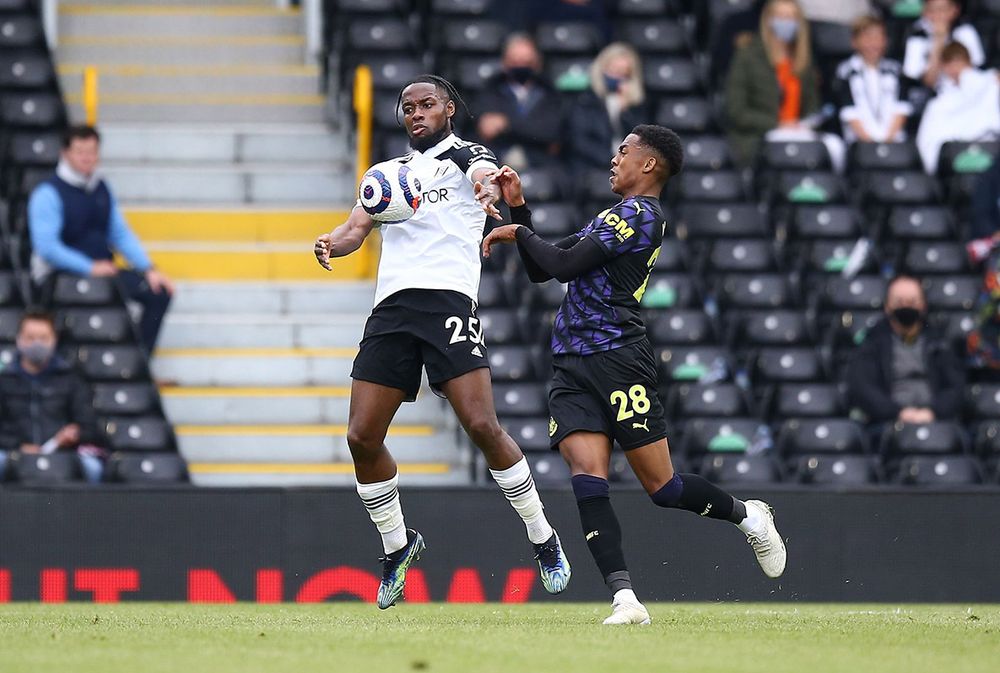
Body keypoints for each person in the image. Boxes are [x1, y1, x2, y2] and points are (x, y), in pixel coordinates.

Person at [480, 125, 786, 626]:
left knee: (662, 489)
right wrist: (520, 209)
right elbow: (544, 268)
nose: (615, 157)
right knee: (587, 479)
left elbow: (561, 263)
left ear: (648, 165)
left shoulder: (641, 217)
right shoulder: (612, 216)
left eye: (624, 150)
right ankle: (625, 598)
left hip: (619, 358)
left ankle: (749, 515)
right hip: (572, 362)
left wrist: (519, 230)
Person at [313, 75, 571, 610]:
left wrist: (486, 187)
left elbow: (484, 174)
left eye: (427, 104)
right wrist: (331, 244)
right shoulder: (386, 174)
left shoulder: (468, 154)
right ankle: (397, 547)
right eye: (407, 107)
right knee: (361, 437)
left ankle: (542, 536)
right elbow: (356, 226)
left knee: (481, 425)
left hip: (449, 302)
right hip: (392, 311)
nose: (416, 113)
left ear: (449, 108)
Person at [27, 125, 174, 355]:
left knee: (159, 292)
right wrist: (89, 267)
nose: (87, 157)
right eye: (80, 151)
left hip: (105, 270)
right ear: (65, 154)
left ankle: (138, 364)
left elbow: (120, 233)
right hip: (59, 275)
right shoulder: (47, 193)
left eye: (92, 151)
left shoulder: (102, 188)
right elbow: (47, 248)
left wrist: (148, 268)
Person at [725, 0, 843, 170]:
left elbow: (812, 105)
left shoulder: (804, 60)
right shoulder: (748, 56)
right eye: (780, 16)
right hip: (761, 135)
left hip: (799, 131)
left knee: (835, 146)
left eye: (791, 17)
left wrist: (803, 124)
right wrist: (777, 124)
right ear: (768, 20)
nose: (786, 22)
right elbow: (736, 112)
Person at [0, 309, 105, 483]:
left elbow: (89, 425)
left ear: (54, 340)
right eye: (30, 337)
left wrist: (72, 435)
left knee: (92, 467)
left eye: (43, 338)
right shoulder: (4, 380)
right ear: (19, 339)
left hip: (64, 452)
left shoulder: (70, 378)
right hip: (13, 453)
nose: (37, 343)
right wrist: (20, 446)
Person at [846, 276, 965, 426]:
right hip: (886, 425)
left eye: (912, 302)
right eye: (899, 302)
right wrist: (897, 413)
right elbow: (863, 387)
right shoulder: (872, 342)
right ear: (887, 306)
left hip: (937, 422)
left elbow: (955, 387)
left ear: (923, 305)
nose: (906, 306)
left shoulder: (939, 342)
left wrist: (933, 412)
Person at [473, 34, 565, 169]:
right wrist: (530, 130)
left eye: (527, 62)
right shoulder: (489, 91)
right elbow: (484, 131)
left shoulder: (551, 94)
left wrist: (506, 124)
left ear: (538, 63)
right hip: (497, 162)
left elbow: (552, 132)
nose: (521, 66)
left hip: (541, 165)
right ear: (505, 63)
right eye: (515, 61)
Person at [915, 42, 1000, 174]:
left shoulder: (992, 82)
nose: (955, 69)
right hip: (953, 166)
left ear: (969, 62)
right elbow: (928, 145)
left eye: (959, 62)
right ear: (944, 68)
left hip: (992, 155)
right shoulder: (938, 105)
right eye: (950, 64)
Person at [568, 42, 650, 176]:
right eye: (613, 71)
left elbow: (641, 140)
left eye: (624, 74)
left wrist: (625, 113)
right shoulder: (585, 100)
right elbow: (580, 140)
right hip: (593, 166)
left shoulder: (637, 105)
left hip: (628, 167)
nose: (617, 78)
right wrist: (611, 159)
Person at [832, 15, 912, 145]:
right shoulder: (845, 71)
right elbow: (849, 112)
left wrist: (888, 140)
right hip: (858, 144)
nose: (873, 43)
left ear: (886, 40)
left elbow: (901, 108)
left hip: (894, 142)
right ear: (854, 41)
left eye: (878, 37)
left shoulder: (896, 70)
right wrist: (870, 145)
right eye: (867, 37)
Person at [902, 0, 984, 89]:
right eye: (932, 10)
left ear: (955, 10)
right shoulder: (917, 34)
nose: (937, 15)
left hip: (963, 91)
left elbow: (975, 71)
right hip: (932, 97)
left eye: (942, 9)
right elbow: (924, 82)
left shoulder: (965, 31)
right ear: (924, 11)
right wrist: (939, 41)